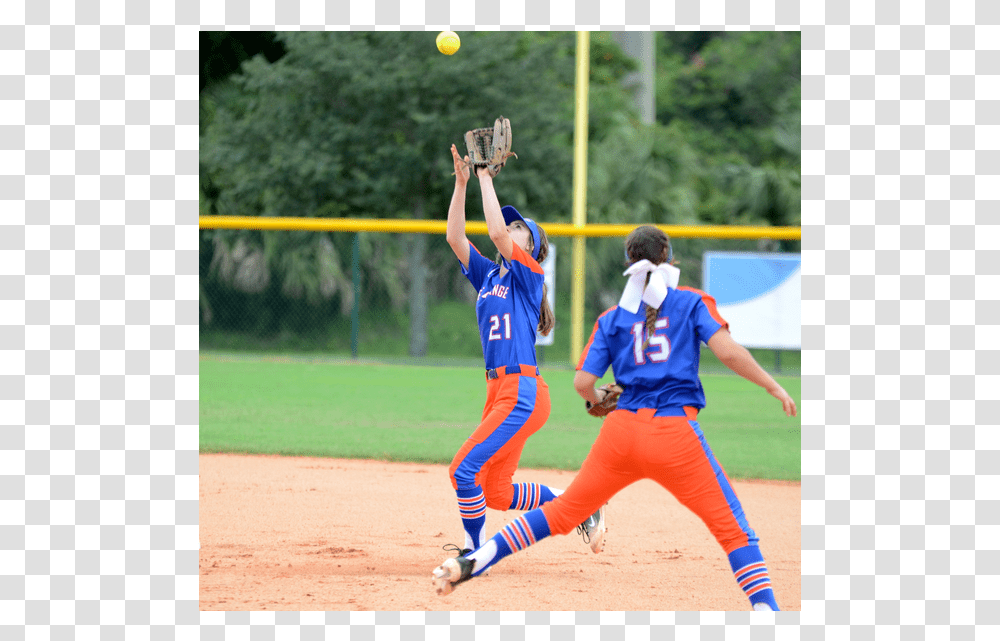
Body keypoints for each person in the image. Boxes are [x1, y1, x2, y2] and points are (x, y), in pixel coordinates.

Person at [432, 225, 797, 611]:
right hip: (676, 433)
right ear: (669, 258)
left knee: (560, 513)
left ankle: (475, 559)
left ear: (628, 263)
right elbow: (728, 352)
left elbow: (583, 382)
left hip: (621, 434)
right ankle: (766, 613)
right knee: (735, 533)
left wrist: (598, 401)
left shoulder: (612, 319)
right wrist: (772, 385)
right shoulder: (691, 302)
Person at [442, 144, 605, 561]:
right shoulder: (489, 275)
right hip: (500, 392)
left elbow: (494, 233)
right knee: (495, 492)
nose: (508, 229)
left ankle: (473, 553)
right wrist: (462, 183)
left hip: (521, 391)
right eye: (511, 225)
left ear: (529, 247)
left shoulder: (528, 275)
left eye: (519, 229)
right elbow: (455, 237)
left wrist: (485, 177)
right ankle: (578, 502)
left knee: (462, 470)